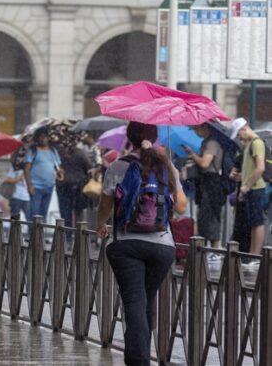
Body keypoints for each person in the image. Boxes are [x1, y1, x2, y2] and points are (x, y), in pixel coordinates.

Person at [96, 122, 187, 366]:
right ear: (155, 138)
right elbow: (181, 206)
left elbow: (105, 204)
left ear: (130, 138)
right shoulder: (166, 166)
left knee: (135, 299)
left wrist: (100, 224)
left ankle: (138, 361)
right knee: (146, 298)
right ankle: (139, 355)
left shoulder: (119, 165)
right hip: (162, 247)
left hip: (126, 244)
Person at [230, 118, 267, 267]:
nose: (239, 138)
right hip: (251, 188)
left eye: (239, 135)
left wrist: (246, 186)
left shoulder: (257, 143)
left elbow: (260, 168)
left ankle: (255, 257)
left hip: (256, 188)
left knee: (257, 222)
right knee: (253, 222)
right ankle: (252, 255)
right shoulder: (250, 145)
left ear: (243, 129)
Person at [184, 123, 225, 255]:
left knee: (210, 216)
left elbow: (205, 163)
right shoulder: (206, 142)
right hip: (205, 183)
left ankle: (214, 251)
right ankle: (208, 249)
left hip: (212, 183)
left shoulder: (212, 143)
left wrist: (192, 154)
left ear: (205, 127)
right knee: (204, 217)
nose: (195, 132)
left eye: (196, 128)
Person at [24, 128, 64, 221]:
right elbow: (26, 170)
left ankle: (40, 235)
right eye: (40, 137)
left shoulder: (53, 151)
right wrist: (29, 186)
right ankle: (32, 235)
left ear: (48, 138)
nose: (43, 139)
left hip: (49, 186)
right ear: (37, 138)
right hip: (36, 187)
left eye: (45, 137)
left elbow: (58, 167)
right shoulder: (33, 151)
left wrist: (60, 173)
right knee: (34, 213)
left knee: (44, 213)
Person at [55, 145, 92, 237]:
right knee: (78, 211)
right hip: (78, 185)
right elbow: (89, 168)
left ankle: (67, 235)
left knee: (65, 211)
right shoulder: (80, 152)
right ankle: (79, 234)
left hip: (63, 185)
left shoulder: (57, 152)